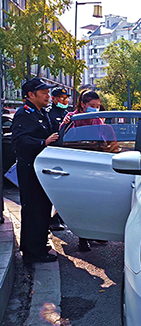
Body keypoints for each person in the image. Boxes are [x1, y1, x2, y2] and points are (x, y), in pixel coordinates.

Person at [12, 78, 59, 263]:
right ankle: (33, 252)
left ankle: (38, 244)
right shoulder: (24, 114)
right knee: (33, 209)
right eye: (43, 92)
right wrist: (43, 142)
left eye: (48, 92)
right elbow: (19, 142)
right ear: (31, 95)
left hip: (41, 169)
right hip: (30, 170)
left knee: (42, 208)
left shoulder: (41, 112)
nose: (48, 95)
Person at [61, 90, 108, 252]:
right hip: (78, 164)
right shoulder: (72, 118)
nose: (95, 108)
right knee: (82, 202)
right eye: (92, 106)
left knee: (96, 202)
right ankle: (83, 238)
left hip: (95, 164)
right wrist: (67, 123)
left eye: (97, 106)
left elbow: (104, 139)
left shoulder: (96, 120)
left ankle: (96, 232)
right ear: (83, 104)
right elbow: (63, 135)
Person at [47, 87, 71, 232]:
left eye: (66, 98)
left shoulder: (68, 114)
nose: (64, 100)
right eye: (61, 98)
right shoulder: (49, 114)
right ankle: (53, 219)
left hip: (67, 154)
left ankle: (60, 217)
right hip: (53, 155)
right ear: (53, 99)